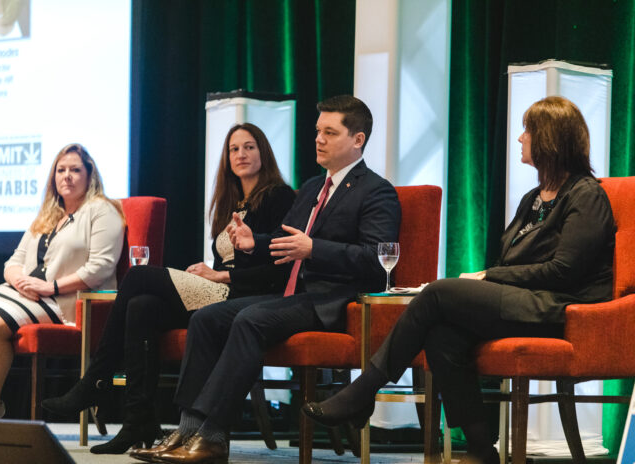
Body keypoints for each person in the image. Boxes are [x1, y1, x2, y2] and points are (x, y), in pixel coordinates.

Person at [302, 96, 616, 464]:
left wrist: (489, 277)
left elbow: (565, 271)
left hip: (563, 307)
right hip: (524, 298)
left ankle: (363, 391)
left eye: (527, 131)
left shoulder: (586, 195)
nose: (519, 139)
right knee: (442, 336)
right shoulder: (534, 198)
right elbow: (515, 258)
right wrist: (494, 279)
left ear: (550, 139)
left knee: (438, 293)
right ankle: (482, 449)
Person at [130, 95, 401, 464]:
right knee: (207, 318)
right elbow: (282, 240)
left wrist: (314, 249)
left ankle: (211, 437)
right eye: (317, 131)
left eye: (330, 132)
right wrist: (252, 242)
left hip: (331, 300)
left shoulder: (377, 191)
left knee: (249, 319)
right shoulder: (311, 189)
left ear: (358, 139)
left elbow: (376, 260)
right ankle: (188, 427)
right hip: (291, 296)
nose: (318, 139)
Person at [41, 123, 295, 454]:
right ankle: (139, 422)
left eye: (249, 147)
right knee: (141, 306)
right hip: (221, 292)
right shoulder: (231, 202)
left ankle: (94, 382)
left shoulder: (280, 197)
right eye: (234, 149)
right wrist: (214, 275)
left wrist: (223, 277)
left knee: (137, 278)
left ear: (264, 151)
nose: (241, 154)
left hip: (247, 297)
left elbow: (281, 268)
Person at [0, 143, 125, 419]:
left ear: (90, 175)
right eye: (61, 170)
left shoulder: (102, 210)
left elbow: (102, 267)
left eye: (75, 170)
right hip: (25, 294)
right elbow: (14, 261)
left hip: (63, 301)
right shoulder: (48, 214)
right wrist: (19, 281)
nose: (66, 176)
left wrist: (50, 287)